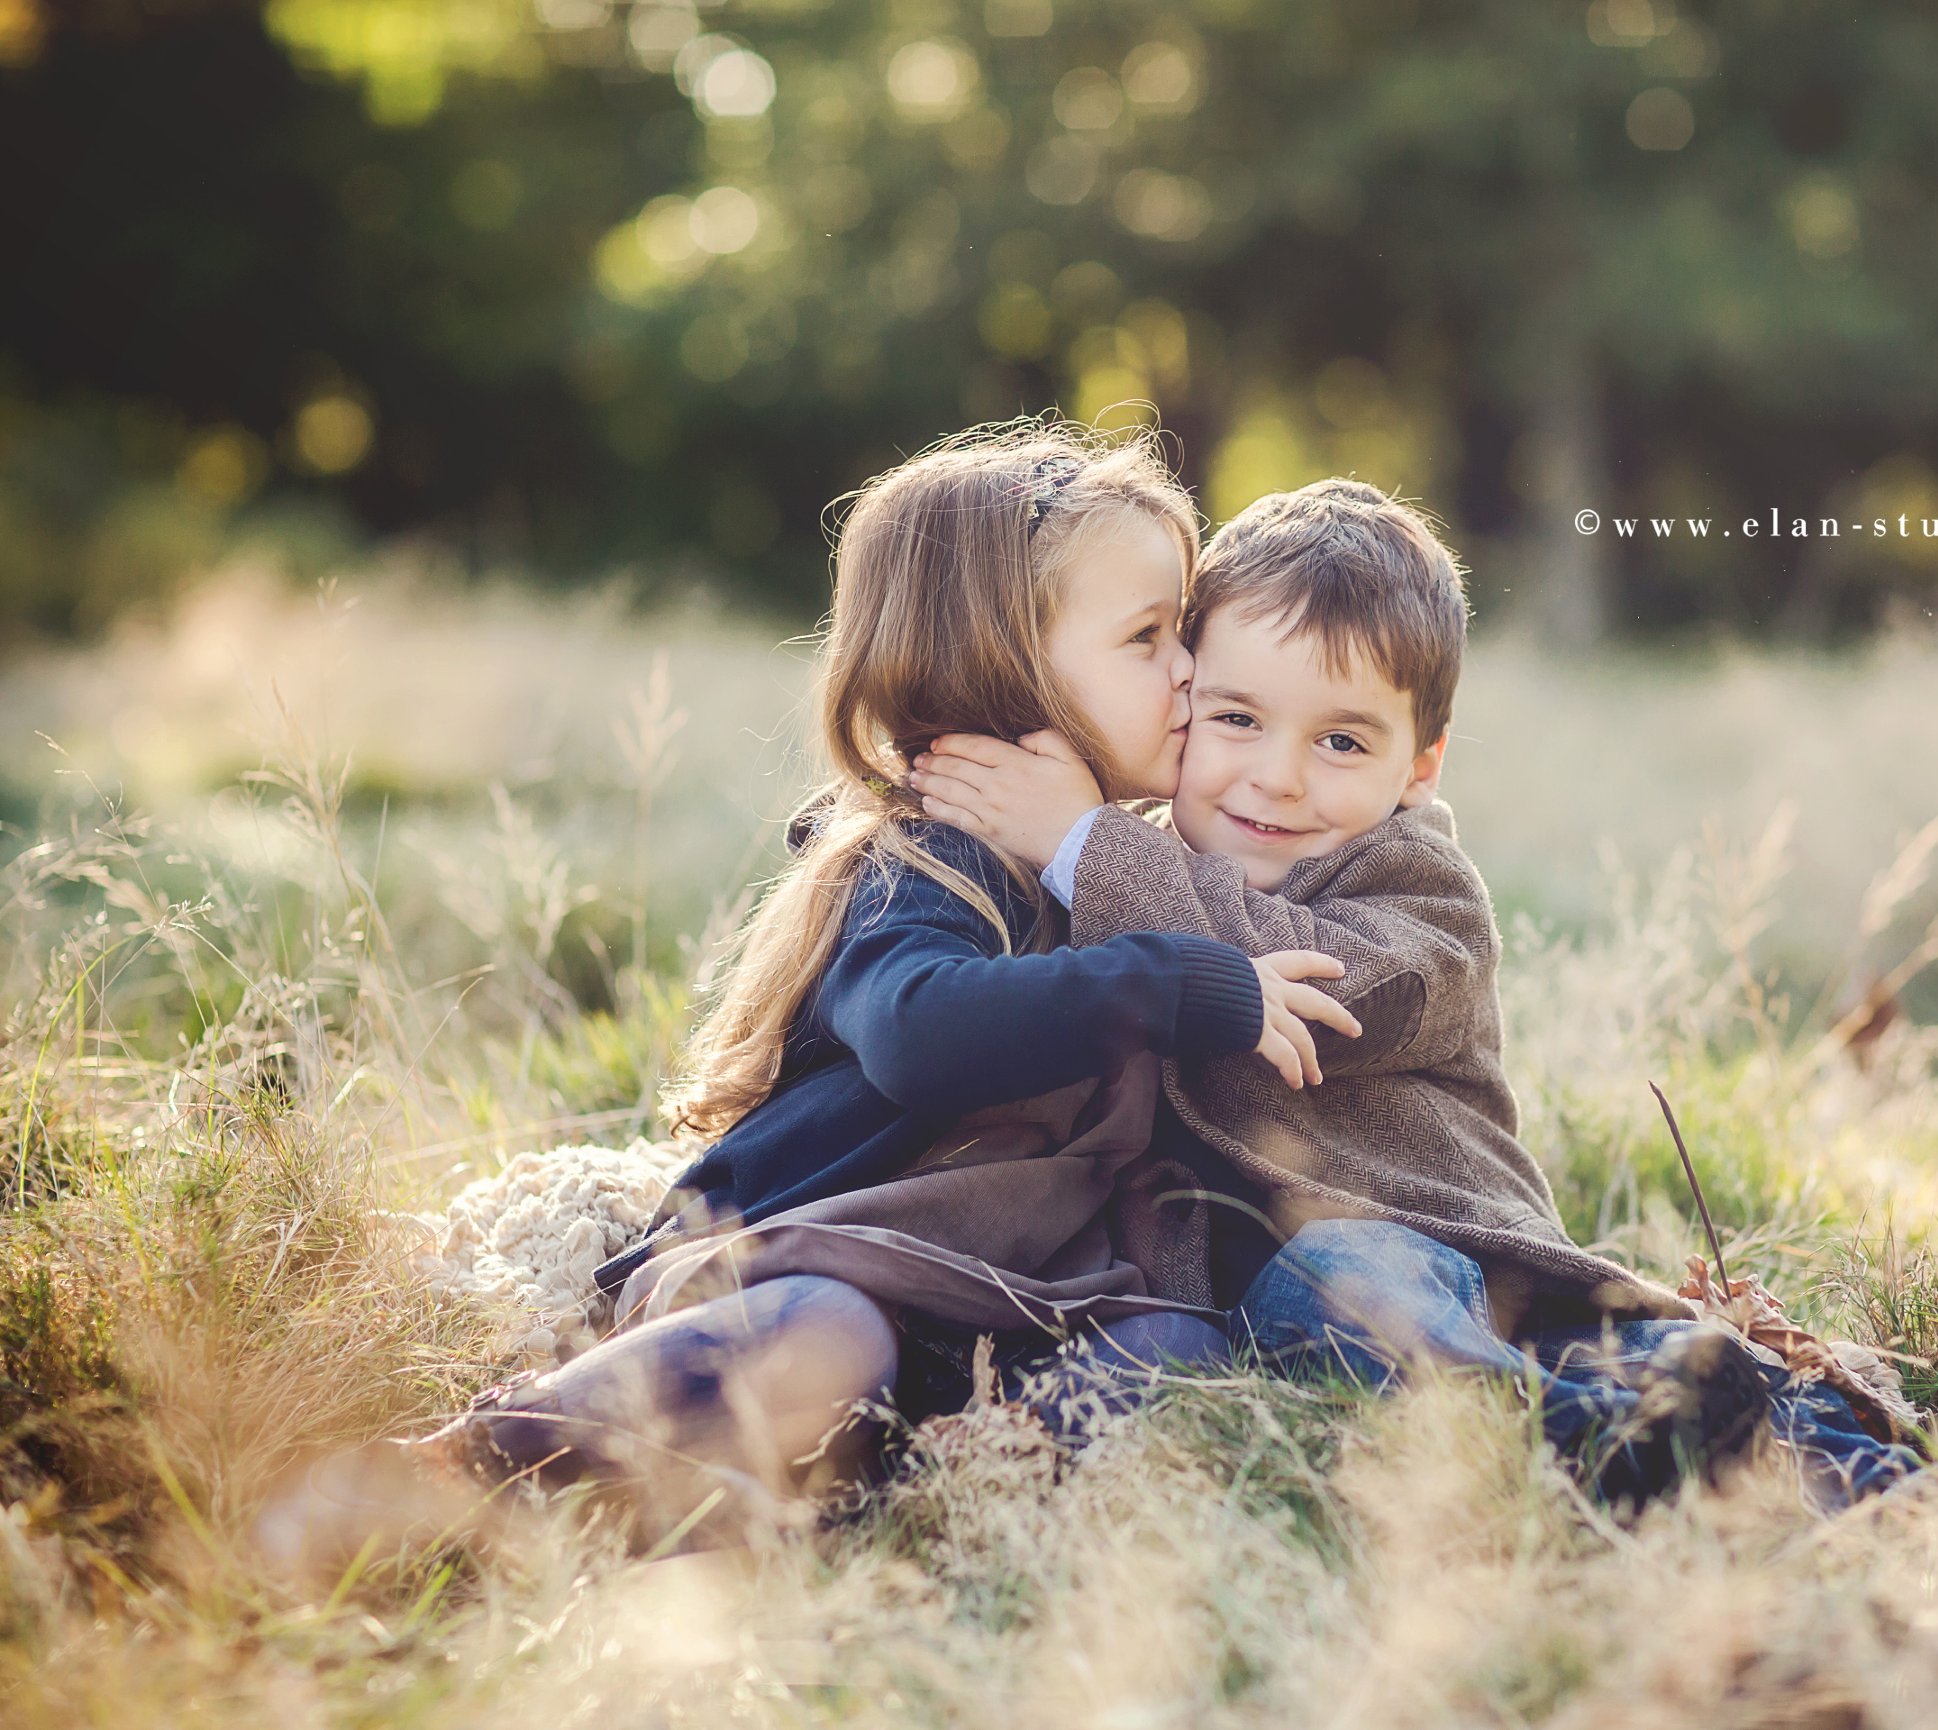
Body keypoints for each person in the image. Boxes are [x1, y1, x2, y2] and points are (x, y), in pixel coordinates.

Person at [258, 421, 1365, 1572]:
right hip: (795, 1265)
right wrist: (1179, 981)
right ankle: (470, 1468)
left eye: (1182, 631)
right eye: (1148, 637)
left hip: (986, 1309)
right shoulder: (926, 863)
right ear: (1004, 663)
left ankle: (922, 1501)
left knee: (1176, 1343)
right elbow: (922, 1034)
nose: (1190, 668)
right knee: (831, 1338)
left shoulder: (1107, 872)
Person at [905, 478, 1938, 1506]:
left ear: (1422, 763)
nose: (1277, 776)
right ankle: (1718, 1440)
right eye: (1236, 719)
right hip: (1261, 1318)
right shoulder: (1140, 866)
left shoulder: (1420, 893)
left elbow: (1307, 984)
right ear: (1182, 705)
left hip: (1445, 1259)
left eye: (1341, 739)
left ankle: (1816, 1468)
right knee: (1574, 1359)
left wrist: (1081, 842)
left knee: (1352, 1283)